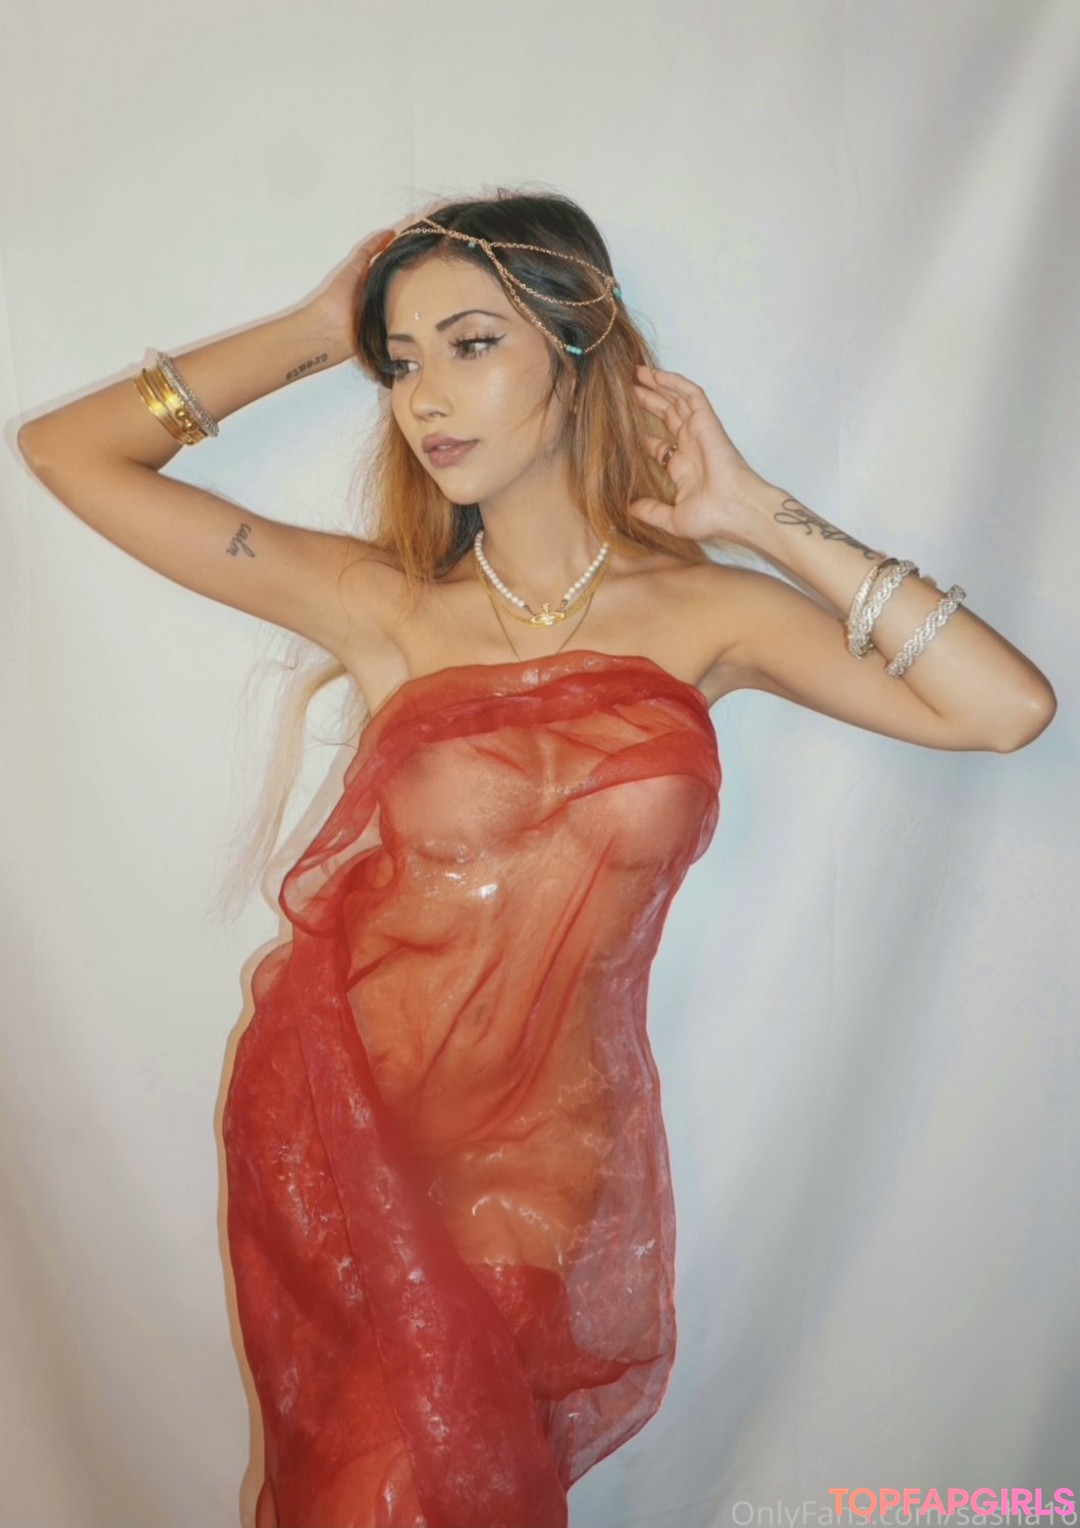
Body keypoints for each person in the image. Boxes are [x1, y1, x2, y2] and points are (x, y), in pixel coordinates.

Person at [16, 190, 1056, 1528]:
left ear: (579, 350)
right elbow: (67, 451)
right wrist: (319, 328)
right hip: (351, 1147)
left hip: (540, 1181)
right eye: (401, 362)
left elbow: (1002, 709)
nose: (425, 397)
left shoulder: (708, 614)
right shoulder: (388, 606)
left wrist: (755, 511)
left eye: (470, 345)